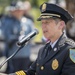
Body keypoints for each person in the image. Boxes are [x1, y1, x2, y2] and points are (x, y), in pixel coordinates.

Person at [1, 2, 75, 75]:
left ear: (61, 25)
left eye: (47, 22)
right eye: (42, 23)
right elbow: (30, 72)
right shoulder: (43, 50)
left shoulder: (70, 50)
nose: (43, 26)